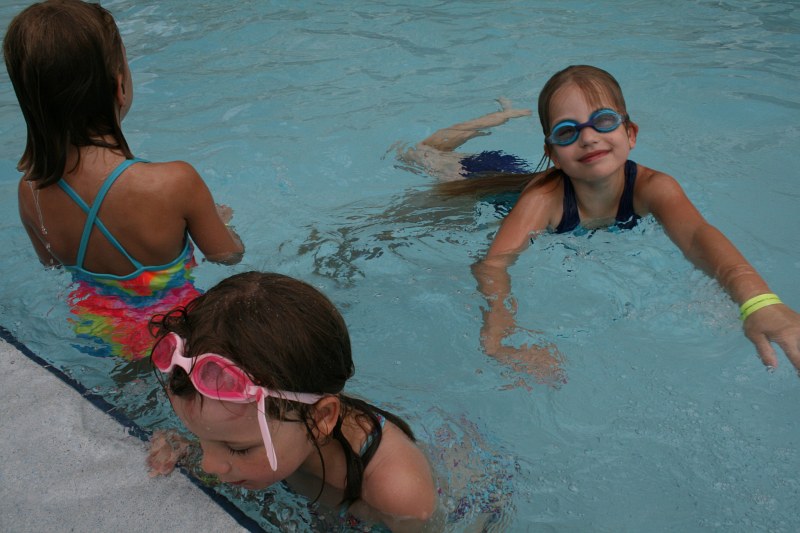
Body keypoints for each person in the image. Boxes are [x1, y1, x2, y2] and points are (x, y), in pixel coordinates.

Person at [432, 65, 800, 377]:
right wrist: (500, 335)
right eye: (567, 131)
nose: (589, 138)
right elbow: (493, 264)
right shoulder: (542, 200)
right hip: (490, 191)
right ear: (554, 154)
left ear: (630, 133)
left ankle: (503, 116)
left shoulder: (653, 188)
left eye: (603, 121)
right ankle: (498, 117)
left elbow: (698, 237)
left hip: (520, 180)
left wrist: (759, 302)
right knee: (429, 157)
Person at [3, 0, 244, 359]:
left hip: (98, 330)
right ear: (120, 86)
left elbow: (51, 264)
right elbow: (228, 255)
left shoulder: (30, 191)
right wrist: (221, 221)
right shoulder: (174, 182)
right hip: (177, 329)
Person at [147, 271, 436, 531]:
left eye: (238, 449)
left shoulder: (400, 495)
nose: (209, 464)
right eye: (202, 437)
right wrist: (185, 449)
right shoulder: (276, 423)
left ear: (320, 419)